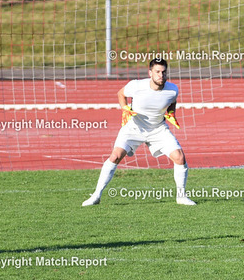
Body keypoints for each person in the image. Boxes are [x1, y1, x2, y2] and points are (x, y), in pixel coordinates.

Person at [82, 58, 196, 206]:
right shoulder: (136, 85)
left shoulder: (173, 89)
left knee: (179, 157)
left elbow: (172, 101)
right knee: (115, 156)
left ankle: (181, 197)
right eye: (157, 72)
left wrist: (171, 113)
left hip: (158, 129)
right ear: (150, 73)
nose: (161, 75)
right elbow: (121, 94)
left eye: (163, 72)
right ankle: (96, 196)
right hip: (134, 127)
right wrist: (125, 109)